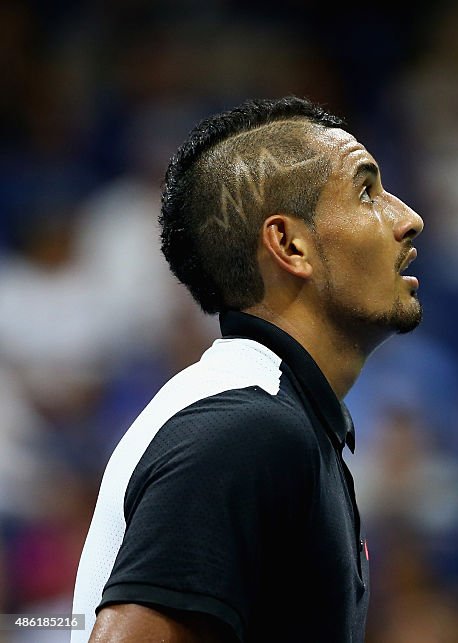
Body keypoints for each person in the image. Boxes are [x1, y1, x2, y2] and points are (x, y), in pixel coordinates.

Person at [70, 97, 424, 642]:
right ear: (289, 245)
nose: (408, 219)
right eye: (367, 191)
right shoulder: (246, 431)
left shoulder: (278, 423)